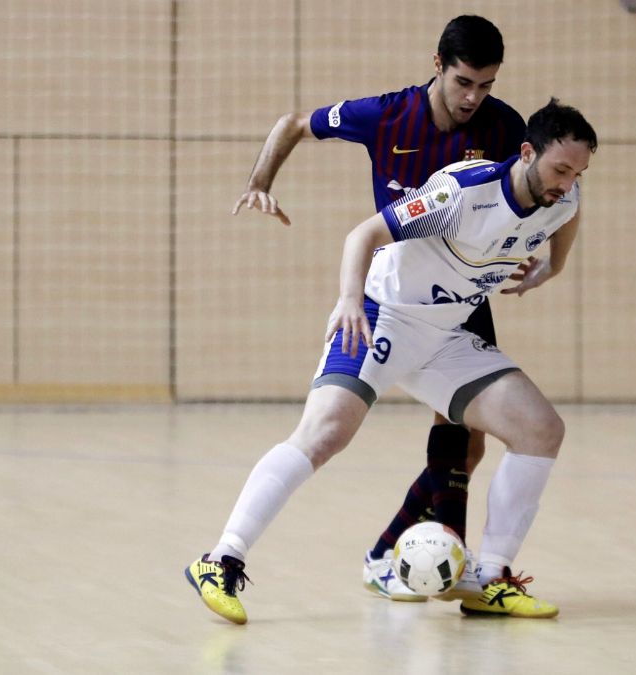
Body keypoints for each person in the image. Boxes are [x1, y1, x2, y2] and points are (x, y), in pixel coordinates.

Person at [186, 99, 598, 624]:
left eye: (578, 171)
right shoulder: (462, 191)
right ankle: (220, 560)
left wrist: (552, 269)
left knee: (542, 429)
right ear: (525, 153)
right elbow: (364, 234)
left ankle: (490, 578)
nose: (568, 182)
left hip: (445, 336)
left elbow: (569, 213)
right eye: (561, 168)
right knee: (323, 433)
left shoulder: (563, 197)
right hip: (382, 316)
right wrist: (350, 300)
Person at [230, 15, 527, 603]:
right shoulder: (386, 115)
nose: (474, 97)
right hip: (392, 297)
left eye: (486, 85)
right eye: (465, 81)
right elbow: (292, 123)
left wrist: (534, 255)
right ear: (437, 65)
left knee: (469, 441)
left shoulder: (503, 126)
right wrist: (259, 181)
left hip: (461, 296)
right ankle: (438, 566)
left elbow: (538, 190)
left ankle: (392, 556)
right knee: (330, 428)